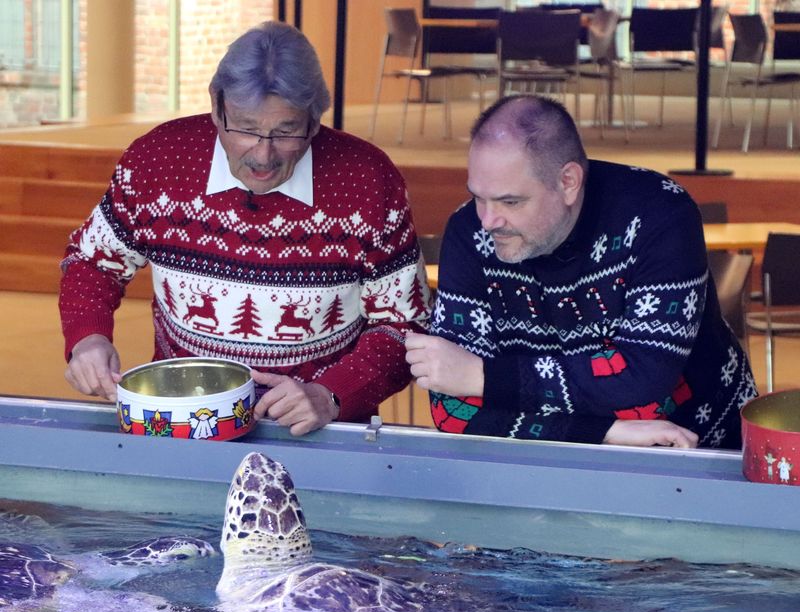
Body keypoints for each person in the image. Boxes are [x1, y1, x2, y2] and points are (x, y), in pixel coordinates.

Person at [59, 22, 430, 436]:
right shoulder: (158, 160)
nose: (263, 155)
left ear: (314, 120)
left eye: (286, 131)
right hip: (182, 423)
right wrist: (88, 337)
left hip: (319, 432)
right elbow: (92, 262)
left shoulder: (368, 180)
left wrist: (332, 394)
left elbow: (405, 325)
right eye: (245, 129)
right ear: (216, 108)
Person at [405, 95, 756, 449]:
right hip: (543, 456)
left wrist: (482, 377)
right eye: (479, 198)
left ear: (569, 182)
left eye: (510, 201)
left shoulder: (660, 215)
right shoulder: (468, 231)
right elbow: (453, 412)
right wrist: (605, 433)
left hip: (704, 445)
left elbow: (643, 376)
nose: (487, 221)